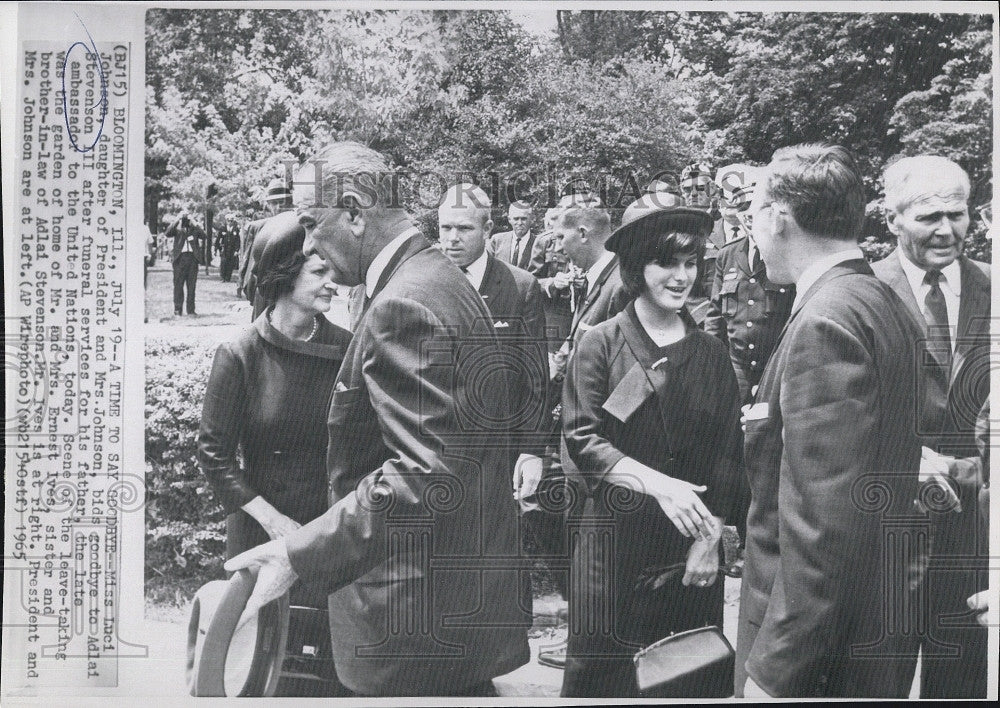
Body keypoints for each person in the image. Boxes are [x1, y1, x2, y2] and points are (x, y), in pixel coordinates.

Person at [225, 142, 530, 697]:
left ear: (355, 210)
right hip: (453, 609)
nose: (310, 244)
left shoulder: (402, 303)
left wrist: (300, 553)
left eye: (313, 225)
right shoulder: (437, 277)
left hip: (408, 620)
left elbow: (422, 474)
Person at [737, 144, 924, 698]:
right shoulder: (879, 300)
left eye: (752, 214)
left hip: (818, 653)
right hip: (864, 628)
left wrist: (774, 670)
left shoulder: (826, 319)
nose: (751, 232)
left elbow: (823, 524)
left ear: (777, 217)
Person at [559, 192, 742, 697]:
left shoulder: (711, 354)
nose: (681, 277)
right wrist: (662, 487)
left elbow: (728, 457)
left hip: (688, 552)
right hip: (610, 549)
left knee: (682, 679)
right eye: (666, 263)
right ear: (638, 267)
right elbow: (582, 438)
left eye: (690, 263)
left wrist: (710, 542)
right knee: (603, 680)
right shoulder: (600, 343)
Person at [872, 155, 989, 699]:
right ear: (891, 219)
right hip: (885, 519)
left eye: (957, 214)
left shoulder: (992, 288)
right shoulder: (862, 294)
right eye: (928, 217)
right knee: (878, 672)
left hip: (971, 525)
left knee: (962, 675)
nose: (946, 229)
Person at [437, 184, 549, 508]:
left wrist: (531, 450)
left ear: (487, 230)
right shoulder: (423, 284)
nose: (452, 238)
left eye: (464, 228)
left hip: (502, 449)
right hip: (439, 449)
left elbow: (535, 377)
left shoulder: (520, 287)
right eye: (446, 227)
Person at [704, 167, 795, 404]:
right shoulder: (728, 254)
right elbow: (715, 316)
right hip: (736, 369)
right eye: (743, 212)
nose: (748, 220)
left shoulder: (788, 253)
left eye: (753, 212)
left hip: (777, 369)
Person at [239, 178, 295, 305]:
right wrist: (249, 288)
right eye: (274, 203)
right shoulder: (258, 228)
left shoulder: (300, 227)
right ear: (269, 205)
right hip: (264, 291)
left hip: (291, 291)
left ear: (290, 203)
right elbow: (249, 261)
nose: (279, 206)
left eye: (282, 202)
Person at [165, 211, 206, 316]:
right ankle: (178, 309)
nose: (185, 222)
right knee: (178, 285)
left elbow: (204, 235)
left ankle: (191, 310)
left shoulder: (194, 230)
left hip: (192, 259)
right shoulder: (177, 230)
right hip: (180, 259)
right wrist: (177, 219)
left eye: (187, 220)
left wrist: (194, 221)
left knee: (191, 286)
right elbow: (167, 233)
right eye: (185, 220)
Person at [215, 213, 242, 282]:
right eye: (228, 221)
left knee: (230, 263)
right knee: (223, 263)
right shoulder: (222, 228)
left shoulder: (236, 229)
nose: (230, 222)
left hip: (232, 249)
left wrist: (236, 250)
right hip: (224, 248)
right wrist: (217, 248)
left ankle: (228, 278)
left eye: (231, 221)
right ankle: (222, 277)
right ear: (226, 221)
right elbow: (218, 239)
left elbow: (237, 241)